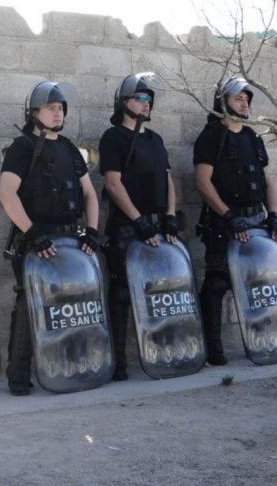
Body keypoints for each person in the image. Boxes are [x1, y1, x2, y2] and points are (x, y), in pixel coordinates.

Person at [0, 80, 100, 396]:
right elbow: (7, 194)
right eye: (50, 108)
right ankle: (18, 375)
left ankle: (74, 367)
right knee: (28, 305)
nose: (57, 113)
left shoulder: (69, 149)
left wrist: (93, 232)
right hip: (37, 243)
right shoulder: (22, 147)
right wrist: (33, 234)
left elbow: (90, 195)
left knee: (77, 304)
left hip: (71, 241)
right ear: (34, 112)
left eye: (60, 108)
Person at [193, 75, 277, 366]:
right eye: (237, 98)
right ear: (222, 102)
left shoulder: (253, 138)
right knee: (217, 284)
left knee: (260, 282)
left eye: (246, 98)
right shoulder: (211, 137)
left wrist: (274, 216)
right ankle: (215, 350)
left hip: (257, 220)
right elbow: (203, 182)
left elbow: (267, 180)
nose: (244, 102)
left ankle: (263, 340)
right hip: (224, 224)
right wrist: (228, 217)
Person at [99, 72, 179, 381]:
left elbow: (167, 178)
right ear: (123, 103)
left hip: (159, 226)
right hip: (128, 228)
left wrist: (170, 215)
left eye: (149, 100)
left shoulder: (155, 139)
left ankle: (165, 355)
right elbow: (112, 183)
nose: (146, 104)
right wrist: (138, 220)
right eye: (140, 98)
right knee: (121, 293)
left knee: (163, 292)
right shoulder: (113, 137)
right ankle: (119, 363)